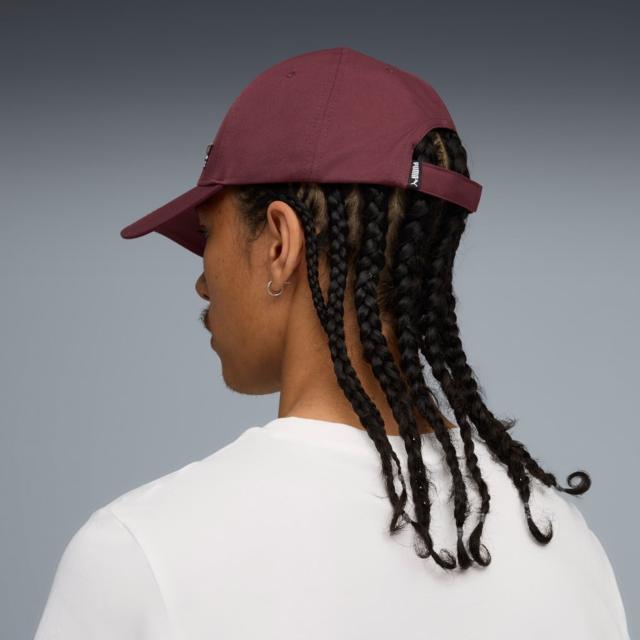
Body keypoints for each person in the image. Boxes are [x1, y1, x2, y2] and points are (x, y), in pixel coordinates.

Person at [33, 46, 631, 639]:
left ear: (280, 243)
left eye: (208, 232)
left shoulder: (141, 553)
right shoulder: (565, 547)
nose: (201, 280)